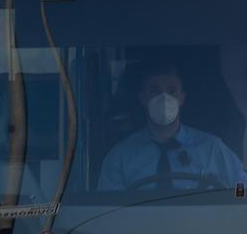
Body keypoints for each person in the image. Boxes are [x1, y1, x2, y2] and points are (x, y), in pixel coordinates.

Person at [98, 63, 247, 191]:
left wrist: (232, 204)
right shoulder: (120, 157)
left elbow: (242, 186)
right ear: (142, 98)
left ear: (182, 98)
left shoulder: (212, 148)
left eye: (171, 91)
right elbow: (104, 211)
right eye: (155, 91)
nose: (164, 98)